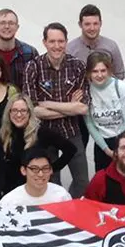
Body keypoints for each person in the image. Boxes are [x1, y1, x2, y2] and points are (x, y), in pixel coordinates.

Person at [23, 22, 91, 198]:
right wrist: (70, 107)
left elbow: (83, 108)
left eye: (61, 41)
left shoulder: (77, 66)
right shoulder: (33, 67)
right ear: (44, 42)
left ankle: (73, 206)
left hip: (72, 131)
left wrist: (48, 103)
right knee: (51, 181)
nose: (57, 46)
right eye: (52, 41)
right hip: (45, 134)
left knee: (83, 181)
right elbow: (32, 110)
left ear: (66, 42)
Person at [0, 94, 77, 196]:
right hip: (12, 192)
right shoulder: (4, 134)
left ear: (30, 113)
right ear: (8, 113)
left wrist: (51, 168)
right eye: (14, 110)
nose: (18, 115)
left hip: (37, 190)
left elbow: (70, 149)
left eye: (23, 111)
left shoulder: (41, 132)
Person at [85, 51, 125, 171]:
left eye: (103, 70)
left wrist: (119, 146)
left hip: (123, 140)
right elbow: (90, 124)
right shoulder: (87, 91)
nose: (99, 75)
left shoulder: (121, 88)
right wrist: (106, 149)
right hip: (102, 144)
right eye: (95, 71)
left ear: (109, 70)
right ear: (89, 72)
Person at [0, 8, 39, 89]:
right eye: (2, 23)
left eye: (11, 23)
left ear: (17, 27)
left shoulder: (30, 53)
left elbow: (36, 84)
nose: (7, 26)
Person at [67, 4, 125, 80]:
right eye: (87, 24)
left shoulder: (111, 47)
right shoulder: (70, 50)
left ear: (101, 24)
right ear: (80, 24)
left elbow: (120, 74)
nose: (92, 28)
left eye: (95, 24)